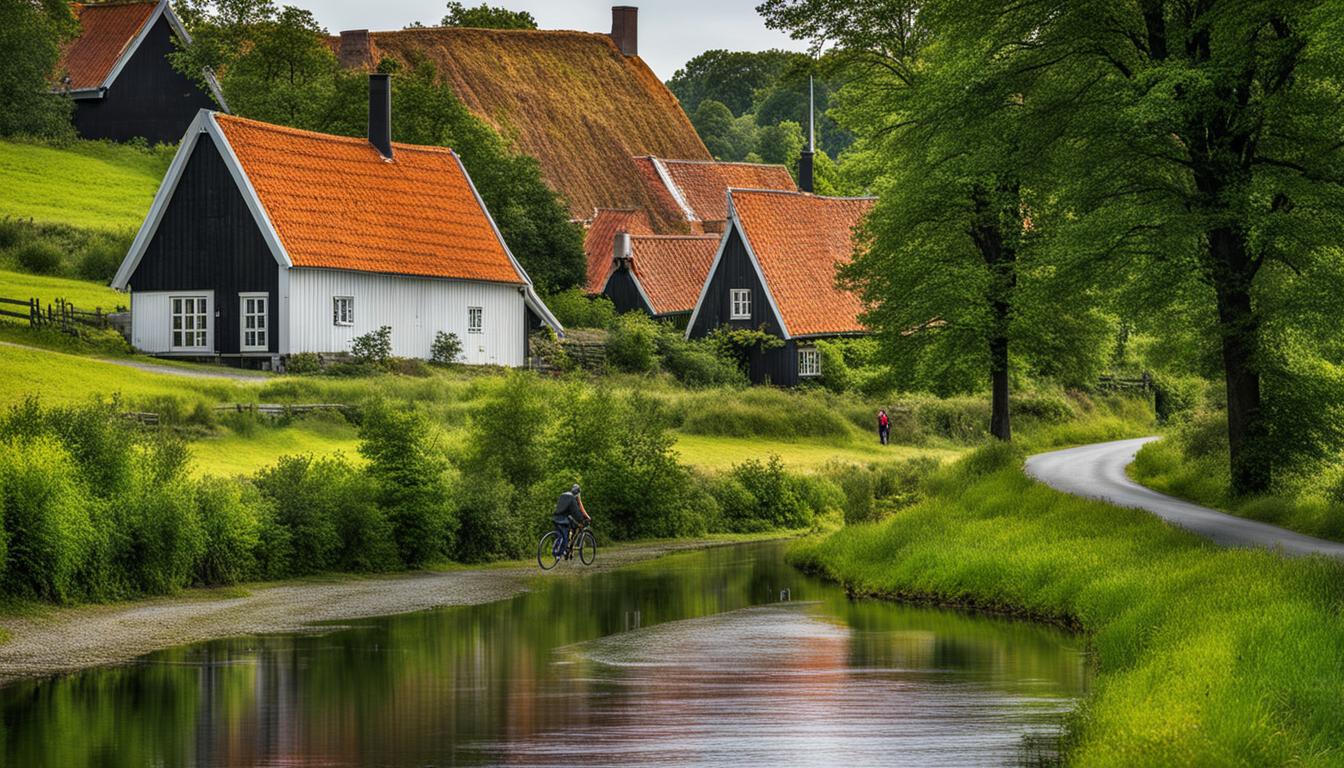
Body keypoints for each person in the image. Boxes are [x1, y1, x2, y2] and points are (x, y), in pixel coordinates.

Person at [552, 484, 590, 559]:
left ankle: (562, 549)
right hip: (563, 520)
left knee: (560, 535)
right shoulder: (572, 498)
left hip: (555, 517)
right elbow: (576, 513)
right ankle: (560, 552)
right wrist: (582, 520)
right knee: (565, 537)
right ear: (578, 493)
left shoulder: (563, 495)